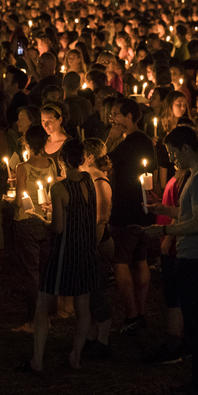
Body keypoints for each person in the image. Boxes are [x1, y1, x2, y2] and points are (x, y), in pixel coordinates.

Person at [143, 126, 198, 395]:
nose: (171, 158)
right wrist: (166, 211)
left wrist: (164, 231)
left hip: (196, 258)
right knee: (195, 324)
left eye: (173, 152)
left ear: (186, 148)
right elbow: (191, 213)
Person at [20, 140, 98, 372]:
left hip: (64, 253)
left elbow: (58, 228)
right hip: (86, 251)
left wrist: (40, 218)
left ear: (62, 160)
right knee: (82, 305)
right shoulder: (89, 181)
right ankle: (75, 356)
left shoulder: (59, 188)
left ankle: (37, 360)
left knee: (43, 304)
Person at [105, 98, 156, 334]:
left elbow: (101, 162)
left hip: (125, 209)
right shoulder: (145, 141)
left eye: (116, 114)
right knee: (140, 259)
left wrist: (110, 141)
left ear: (129, 117)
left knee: (121, 262)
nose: (112, 119)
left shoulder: (127, 143)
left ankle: (132, 314)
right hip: (143, 208)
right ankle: (141, 311)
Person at [10, 125, 58, 333]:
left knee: (31, 273)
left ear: (28, 143)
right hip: (46, 221)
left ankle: (33, 320)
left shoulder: (23, 167)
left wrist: (10, 199)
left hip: (27, 221)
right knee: (46, 270)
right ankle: (47, 316)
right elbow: (53, 192)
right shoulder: (52, 164)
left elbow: (21, 201)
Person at [80, 138, 114, 359]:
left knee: (97, 291)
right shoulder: (89, 179)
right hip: (89, 242)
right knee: (88, 292)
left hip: (98, 245)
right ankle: (91, 336)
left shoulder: (100, 182)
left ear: (90, 157)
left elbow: (101, 219)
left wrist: (92, 246)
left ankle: (103, 340)